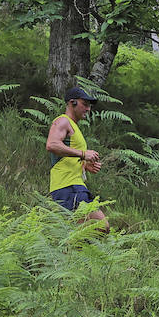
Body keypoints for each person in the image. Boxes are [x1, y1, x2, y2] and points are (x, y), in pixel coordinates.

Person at [46, 86, 107, 228]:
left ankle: (68, 249)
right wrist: (83, 154)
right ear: (72, 103)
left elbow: (65, 156)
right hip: (67, 186)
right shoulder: (62, 121)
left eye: (89, 106)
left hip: (74, 186)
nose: (88, 109)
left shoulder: (74, 126)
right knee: (98, 226)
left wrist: (85, 165)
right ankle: (67, 249)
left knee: (90, 229)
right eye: (84, 104)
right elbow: (52, 144)